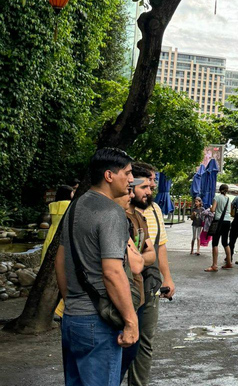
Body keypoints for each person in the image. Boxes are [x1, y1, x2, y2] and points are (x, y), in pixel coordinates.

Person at [55, 148, 138, 386]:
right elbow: (112, 272)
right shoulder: (111, 212)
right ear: (110, 176)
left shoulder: (75, 207)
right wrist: (131, 321)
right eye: (128, 172)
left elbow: (59, 260)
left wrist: (71, 300)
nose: (131, 179)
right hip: (98, 324)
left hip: (73, 319)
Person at [126, 162, 175, 386]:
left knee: (145, 341)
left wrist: (168, 278)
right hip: (124, 283)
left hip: (150, 283)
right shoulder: (121, 210)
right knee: (121, 338)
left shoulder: (154, 210)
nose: (151, 188)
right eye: (146, 183)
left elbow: (160, 246)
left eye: (153, 183)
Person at [119, 181, 156, 381]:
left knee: (134, 352)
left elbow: (152, 255)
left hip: (138, 294)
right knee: (121, 357)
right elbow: (135, 264)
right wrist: (141, 258)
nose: (149, 192)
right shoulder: (119, 219)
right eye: (145, 186)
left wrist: (139, 258)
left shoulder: (140, 217)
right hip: (125, 296)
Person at [43, 185, 74, 263]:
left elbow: (50, 220)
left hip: (53, 231)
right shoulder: (71, 204)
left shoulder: (52, 205)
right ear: (69, 194)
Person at [206, 184, 233, 272]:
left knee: (215, 243)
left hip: (218, 221)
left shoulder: (217, 198)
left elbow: (213, 209)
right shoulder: (229, 199)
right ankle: (229, 262)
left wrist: (210, 208)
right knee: (225, 242)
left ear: (220, 190)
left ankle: (214, 265)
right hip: (227, 221)